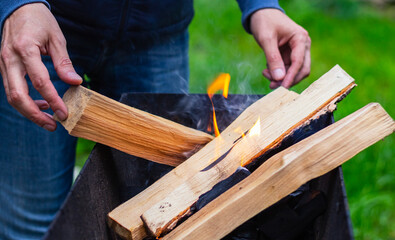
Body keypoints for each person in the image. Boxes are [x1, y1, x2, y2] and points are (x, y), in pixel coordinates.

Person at [0, 0, 311, 238]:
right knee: (32, 224)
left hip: (157, 32)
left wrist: (261, 5)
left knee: (160, 216)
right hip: (43, 26)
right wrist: (18, 5)